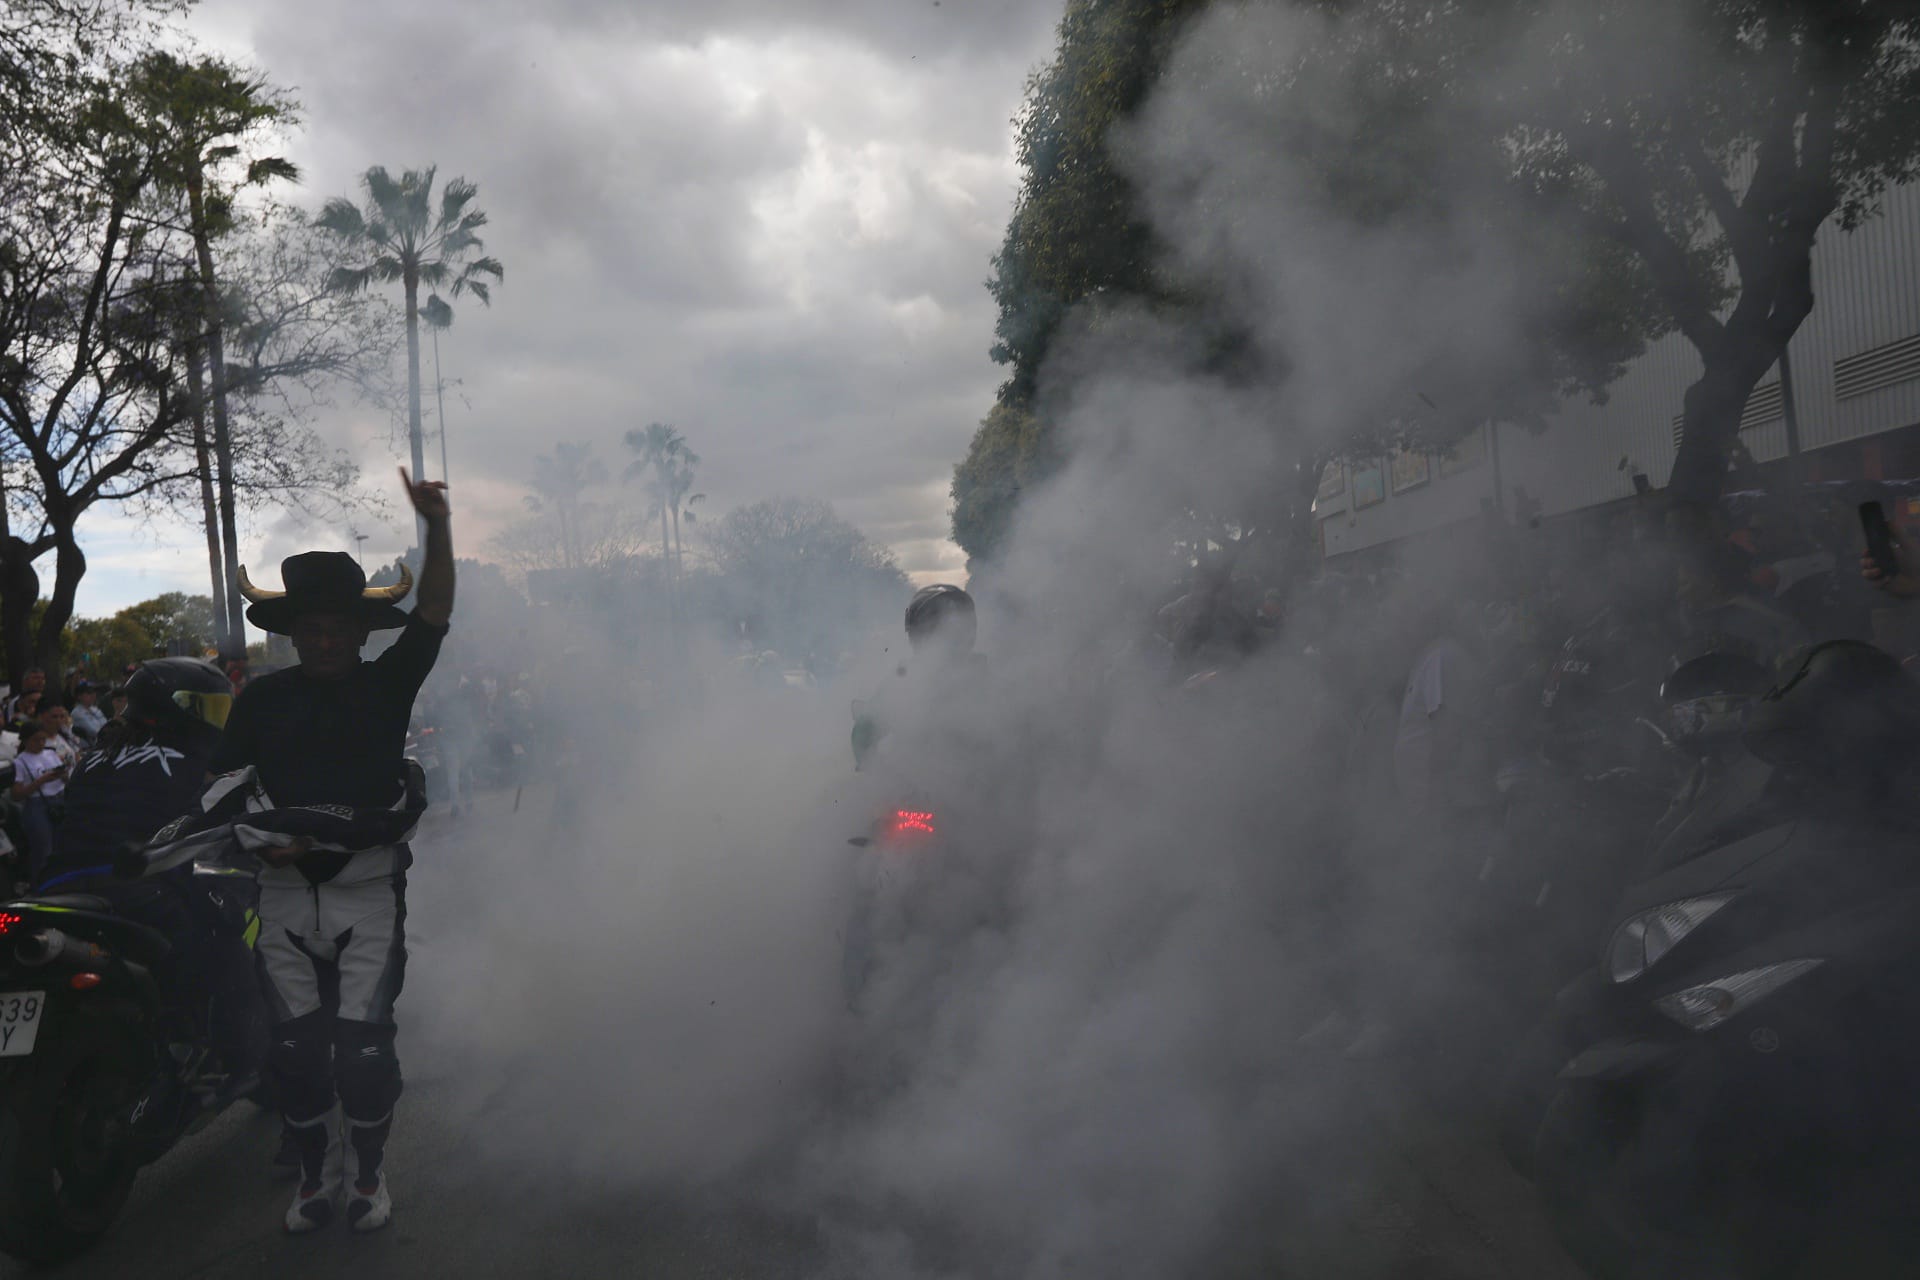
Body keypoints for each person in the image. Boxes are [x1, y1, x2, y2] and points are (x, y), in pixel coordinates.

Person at [214, 469, 452, 1236]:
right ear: (291, 635)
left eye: (335, 627)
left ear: (359, 632)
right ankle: (316, 1179)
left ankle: (371, 1177)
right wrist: (262, 839)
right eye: (308, 629)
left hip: (367, 892)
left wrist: (437, 527)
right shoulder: (259, 701)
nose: (321, 640)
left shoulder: (389, 686)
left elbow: (437, 610)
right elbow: (224, 786)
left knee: (364, 1056)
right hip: (280, 898)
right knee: (294, 1055)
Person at [10, 722, 66, 883]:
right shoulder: (21, 761)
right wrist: (40, 781)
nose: (41, 744)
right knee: (43, 850)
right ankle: (41, 885)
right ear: (26, 741)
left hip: (58, 800)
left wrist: (62, 774)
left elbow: (65, 778)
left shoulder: (50, 754)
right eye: (36, 740)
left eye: (43, 740)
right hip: (38, 805)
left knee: (60, 846)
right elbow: (17, 794)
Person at [39, 704, 80, 772]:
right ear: (42, 717)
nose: (58, 720)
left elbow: (76, 756)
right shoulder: (38, 742)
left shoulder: (65, 736)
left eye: (62, 717)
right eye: (54, 717)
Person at [71, 681, 107, 745]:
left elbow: (106, 724)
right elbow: (94, 731)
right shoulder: (77, 713)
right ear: (79, 696)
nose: (93, 695)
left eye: (94, 692)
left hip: (102, 745)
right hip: (88, 749)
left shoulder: (95, 709)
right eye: (89, 692)